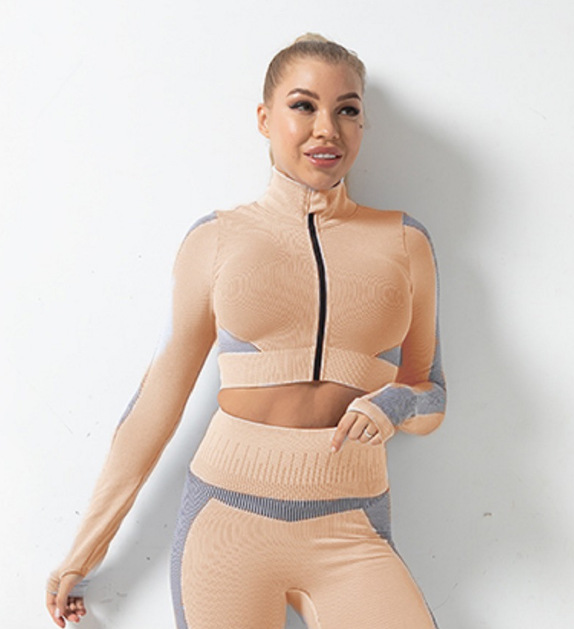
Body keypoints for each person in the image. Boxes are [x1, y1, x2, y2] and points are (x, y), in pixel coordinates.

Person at [46, 33, 447, 629]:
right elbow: (158, 402)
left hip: (351, 522)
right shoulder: (216, 239)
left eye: (347, 110)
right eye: (303, 105)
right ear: (264, 118)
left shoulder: (405, 241)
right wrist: (83, 552)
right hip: (227, 523)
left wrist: (396, 403)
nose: (327, 130)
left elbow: (430, 397)